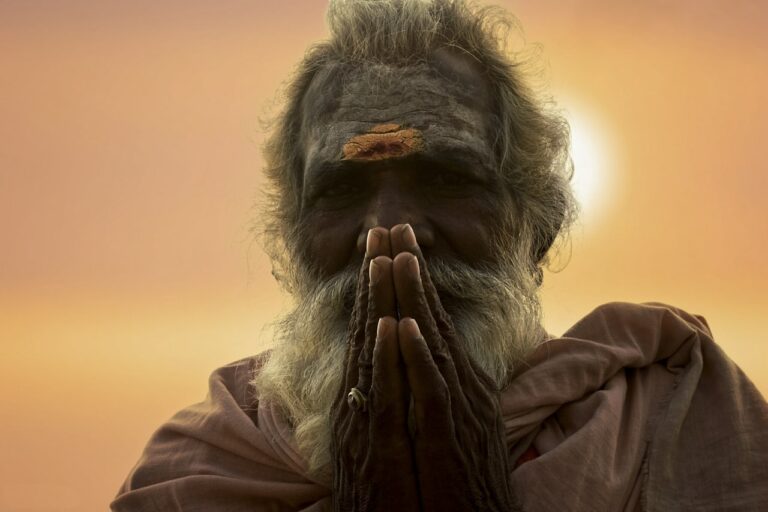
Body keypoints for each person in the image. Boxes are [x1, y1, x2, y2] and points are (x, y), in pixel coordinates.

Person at [111, 1, 768, 510]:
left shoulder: (669, 422)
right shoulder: (199, 477)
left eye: (448, 180)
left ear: (536, 226)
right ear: (289, 244)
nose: (388, 233)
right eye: (342, 190)